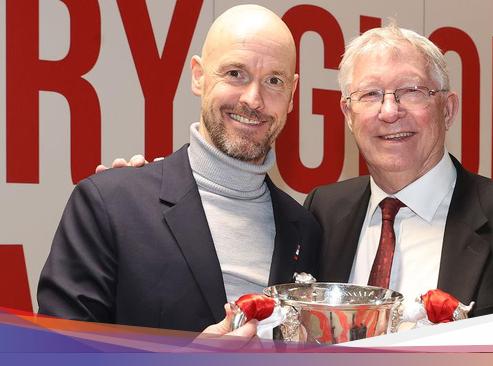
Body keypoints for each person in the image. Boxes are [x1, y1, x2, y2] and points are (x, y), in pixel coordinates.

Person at [37, 4, 321, 336]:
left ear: (291, 95)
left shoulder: (305, 230)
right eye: (235, 74)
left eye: (274, 80)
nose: (253, 99)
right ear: (198, 76)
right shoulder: (109, 203)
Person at [304, 23, 493, 315]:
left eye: (412, 91)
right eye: (371, 94)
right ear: (348, 114)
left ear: (448, 109)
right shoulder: (322, 213)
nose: (389, 112)